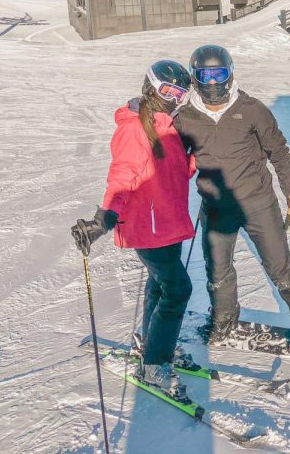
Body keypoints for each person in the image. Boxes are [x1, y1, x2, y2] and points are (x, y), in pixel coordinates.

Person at [174, 45, 290, 355]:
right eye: (205, 75)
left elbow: (279, 152)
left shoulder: (252, 109)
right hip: (216, 208)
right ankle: (225, 320)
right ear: (195, 78)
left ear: (230, 75)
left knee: (280, 268)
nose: (213, 82)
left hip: (258, 203)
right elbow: (168, 157)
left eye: (219, 74)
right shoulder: (185, 117)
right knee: (218, 271)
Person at [71, 60, 195, 398]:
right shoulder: (134, 129)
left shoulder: (166, 126)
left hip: (168, 224)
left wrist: (195, 158)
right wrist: (104, 218)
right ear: (151, 87)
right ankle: (155, 364)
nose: (174, 98)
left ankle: (152, 343)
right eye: (168, 90)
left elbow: (174, 174)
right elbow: (122, 176)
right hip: (148, 226)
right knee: (178, 290)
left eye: (180, 93)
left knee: (159, 286)